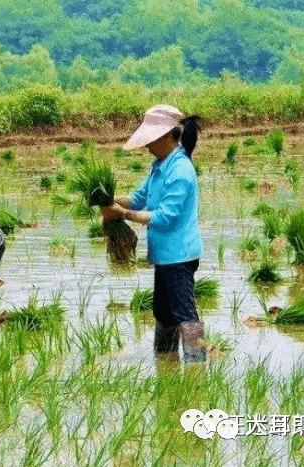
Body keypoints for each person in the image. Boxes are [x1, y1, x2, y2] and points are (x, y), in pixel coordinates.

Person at [101, 104, 206, 363]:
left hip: (179, 256)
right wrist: (110, 200)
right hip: (164, 255)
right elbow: (138, 198)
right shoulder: (159, 165)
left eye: (150, 140)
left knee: (185, 313)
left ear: (167, 136)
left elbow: (164, 217)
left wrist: (122, 215)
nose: (146, 146)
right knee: (164, 311)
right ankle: (165, 359)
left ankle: (196, 367)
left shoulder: (180, 169)